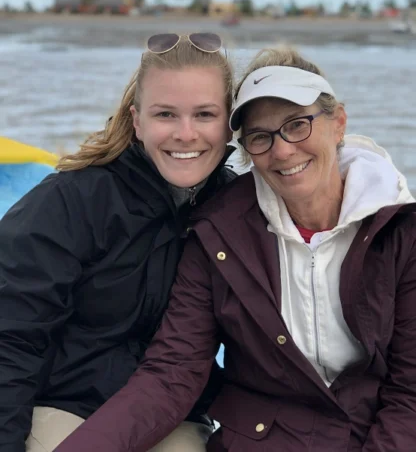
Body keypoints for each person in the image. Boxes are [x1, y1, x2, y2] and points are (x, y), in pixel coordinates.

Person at [54, 46, 416, 452]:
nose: (282, 150)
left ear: (338, 124)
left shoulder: (401, 228)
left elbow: (410, 392)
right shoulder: (219, 231)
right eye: (260, 137)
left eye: (298, 125)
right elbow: (174, 371)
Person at [0, 33, 236, 452]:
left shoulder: (237, 209)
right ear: (137, 120)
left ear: (230, 121)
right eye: (165, 114)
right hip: (59, 404)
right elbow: (12, 332)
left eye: (204, 114)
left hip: (172, 413)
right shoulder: (72, 201)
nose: (186, 134)